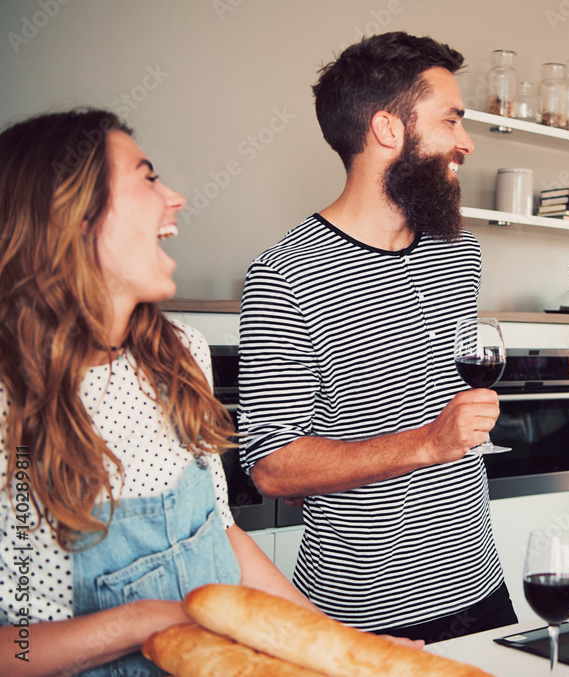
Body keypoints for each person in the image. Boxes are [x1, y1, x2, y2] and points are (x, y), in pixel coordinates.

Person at [0, 110, 322, 676]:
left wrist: (336, 645)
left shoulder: (180, 354)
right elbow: (15, 648)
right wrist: (145, 621)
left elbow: (222, 534)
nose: (174, 198)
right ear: (70, 214)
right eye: (147, 178)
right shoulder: (11, 404)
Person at [237, 32, 516, 643]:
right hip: (360, 622)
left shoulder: (456, 250)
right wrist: (429, 443)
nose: (465, 143)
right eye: (451, 121)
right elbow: (272, 467)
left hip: (482, 593)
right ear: (388, 129)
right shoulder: (284, 273)